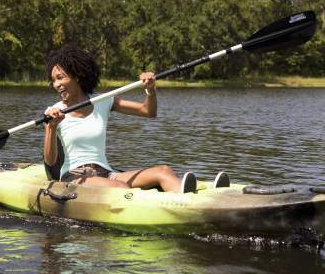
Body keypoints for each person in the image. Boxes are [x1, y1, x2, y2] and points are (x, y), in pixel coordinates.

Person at [43, 44, 229, 193]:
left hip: (106, 173)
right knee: (121, 189)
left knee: (163, 171)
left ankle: (191, 199)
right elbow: (50, 161)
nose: (56, 84)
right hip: (75, 177)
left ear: (78, 75)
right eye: (54, 80)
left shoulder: (103, 101)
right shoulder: (54, 112)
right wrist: (51, 127)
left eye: (61, 78)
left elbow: (148, 111)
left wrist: (150, 89)